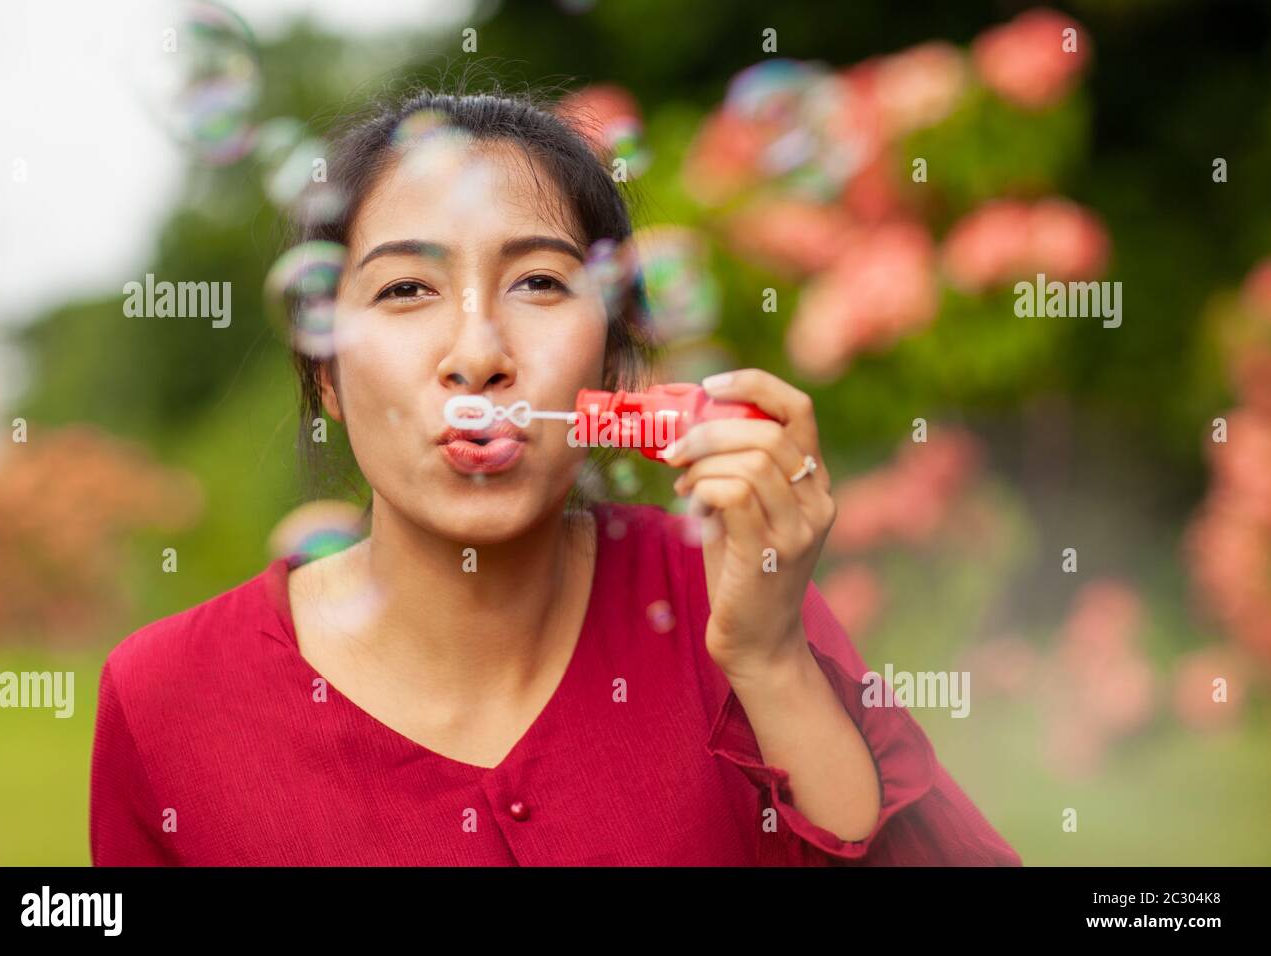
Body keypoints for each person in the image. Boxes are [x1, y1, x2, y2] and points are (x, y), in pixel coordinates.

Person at [89, 88, 1021, 866]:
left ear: (612, 361)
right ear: (327, 370)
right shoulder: (166, 699)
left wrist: (772, 662)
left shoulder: (730, 590)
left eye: (538, 282)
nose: (480, 355)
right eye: (406, 289)